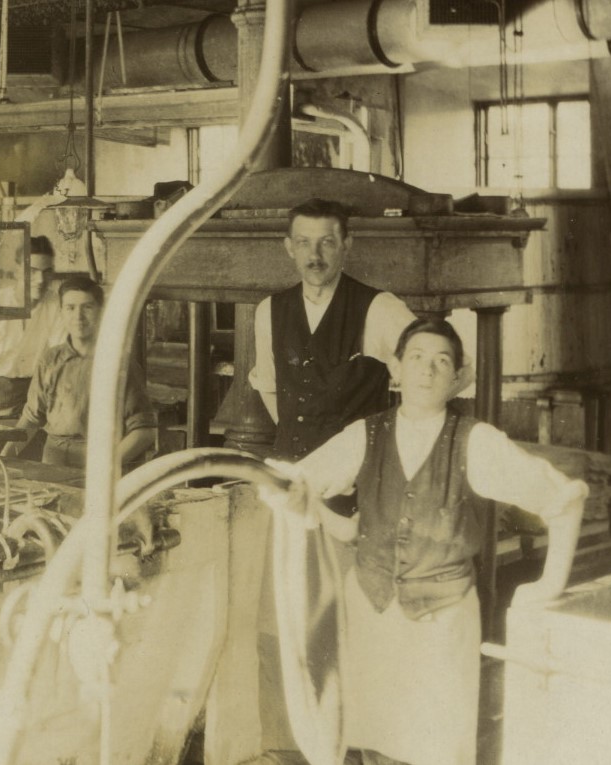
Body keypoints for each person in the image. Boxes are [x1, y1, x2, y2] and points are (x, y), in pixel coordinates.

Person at [261, 318, 586, 765]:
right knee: (366, 745)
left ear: (456, 377)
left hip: (442, 623)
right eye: (416, 358)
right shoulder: (365, 434)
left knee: (433, 749)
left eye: (441, 361)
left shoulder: (476, 441)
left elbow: (564, 499)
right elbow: (296, 486)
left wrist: (548, 587)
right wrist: (311, 507)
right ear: (396, 369)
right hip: (370, 615)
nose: (427, 371)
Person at [249, 198, 417, 461]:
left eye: (326, 242)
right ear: (290, 247)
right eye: (303, 242)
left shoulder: (380, 307)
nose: (314, 256)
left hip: (357, 474)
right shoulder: (268, 309)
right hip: (293, 471)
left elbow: (458, 370)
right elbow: (268, 386)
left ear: (345, 245)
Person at [9, 276, 156, 469]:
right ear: (61, 312)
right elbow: (32, 418)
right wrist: (3, 460)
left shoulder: (119, 364)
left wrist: (103, 469)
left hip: (101, 458)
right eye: (70, 308)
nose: (78, 317)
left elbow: (144, 432)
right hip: (54, 458)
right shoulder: (50, 359)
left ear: (101, 311)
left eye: (87, 307)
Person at [0, 236, 66, 418]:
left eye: (47, 272)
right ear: (16, 271)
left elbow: (58, 358)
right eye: (32, 271)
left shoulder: (58, 305)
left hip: (36, 395)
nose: (40, 280)